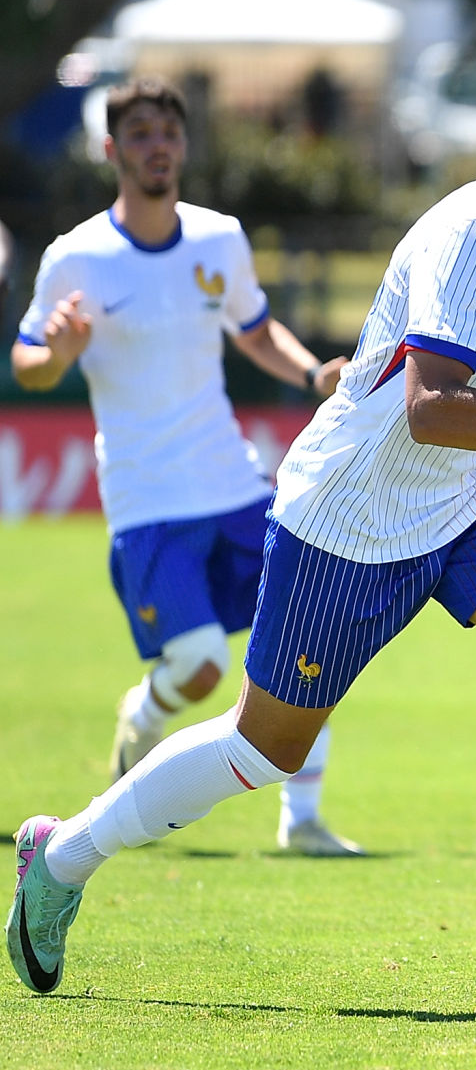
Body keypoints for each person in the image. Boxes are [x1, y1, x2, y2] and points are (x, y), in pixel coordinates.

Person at [10, 43, 476, 1015]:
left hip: (471, 492)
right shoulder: (474, 235)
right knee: (263, 751)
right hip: (354, 510)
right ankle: (63, 855)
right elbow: (432, 408)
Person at [11, 76, 360, 857]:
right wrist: (56, 355)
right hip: (147, 502)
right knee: (201, 667)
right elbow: (28, 359)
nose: (157, 147)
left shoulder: (218, 237)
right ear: (112, 150)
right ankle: (142, 715)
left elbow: (256, 330)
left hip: (232, 483)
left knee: (314, 622)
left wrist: (313, 373)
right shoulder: (76, 256)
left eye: (168, 133)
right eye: (139, 135)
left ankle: (302, 818)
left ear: (184, 145)